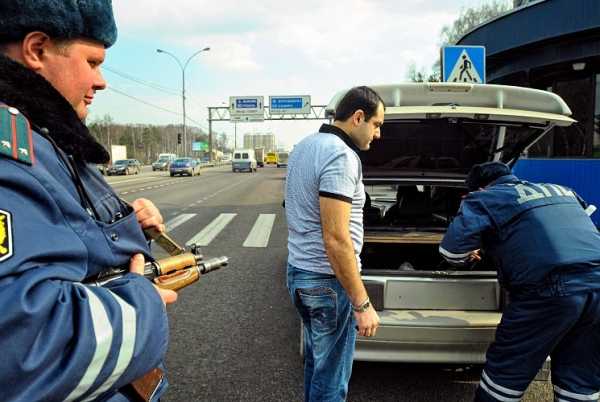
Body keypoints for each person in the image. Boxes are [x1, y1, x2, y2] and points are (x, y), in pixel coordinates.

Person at [0, 1, 177, 401]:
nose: (101, 82)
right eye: (93, 61)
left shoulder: (44, 137)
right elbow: (28, 347)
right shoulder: (11, 146)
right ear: (37, 49)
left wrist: (126, 226)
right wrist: (143, 301)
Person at [439, 161, 600, 402]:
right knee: (581, 376)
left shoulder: (485, 198)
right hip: (597, 283)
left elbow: (451, 252)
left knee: (506, 372)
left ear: (480, 189)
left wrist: (472, 253)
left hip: (550, 289)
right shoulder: (562, 189)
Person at [285, 86, 384, 401]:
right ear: (358, 117)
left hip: (300, 273)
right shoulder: (341, 156)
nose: (378, 134)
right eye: (377, 124)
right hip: (327, 282)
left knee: (318, 364)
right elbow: (336, 238)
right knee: (331, 382)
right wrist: (362, 303)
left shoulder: (304, 146)